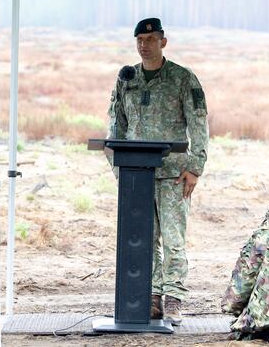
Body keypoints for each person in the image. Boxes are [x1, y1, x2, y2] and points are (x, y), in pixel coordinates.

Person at [107, 17, 208, 325]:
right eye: (139, 39)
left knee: (174, 238)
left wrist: (196, 167)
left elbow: (198, 121)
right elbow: (116, 123)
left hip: (174, 174)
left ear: (163, 42)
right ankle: (150, 298)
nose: (143, 44)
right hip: (136, 174)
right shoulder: (127, 78)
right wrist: (117, 165)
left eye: (150, 40)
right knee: (143, 239)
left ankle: (174, 298)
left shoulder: (181, 78)